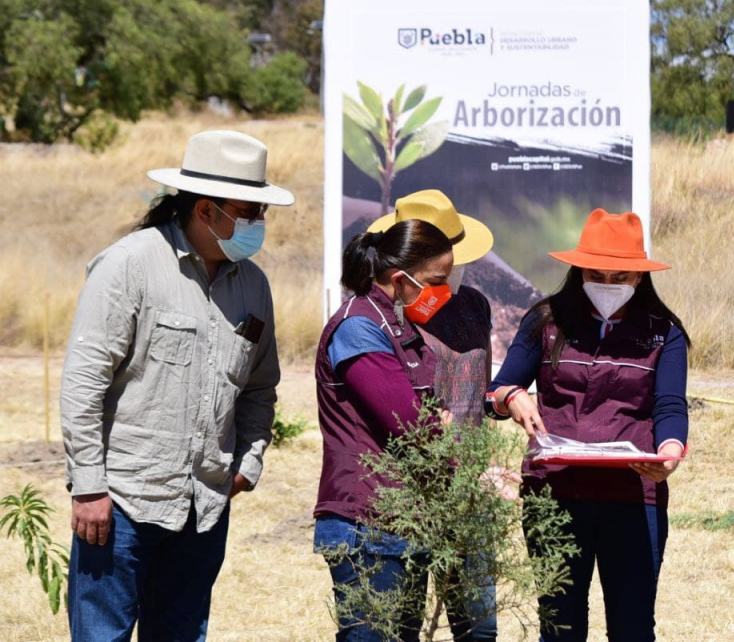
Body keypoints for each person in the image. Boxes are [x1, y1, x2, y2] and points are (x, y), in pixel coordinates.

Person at [60, 130, 294, 641]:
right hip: (122, 503)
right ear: (207, 210)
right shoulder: (131, 263)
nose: (258, 224)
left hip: (204, 510)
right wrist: (89, 486)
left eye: (261, 212)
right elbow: (84, 380)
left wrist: (246, 465)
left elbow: (259, 387)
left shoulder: (253, 285)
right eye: (249, 211)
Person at [487, 208, 689, 642]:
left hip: (634, 496)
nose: (608, 286)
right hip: (555, 494)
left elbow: (670, 405)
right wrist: (513, 396)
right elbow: (495, 393)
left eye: (621, 278)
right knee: (560, 624)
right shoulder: (544, 321)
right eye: (596, 275)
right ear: (578, 271)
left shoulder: (663, 332)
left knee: (633, 626)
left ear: (640, 277)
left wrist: (671, 452)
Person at [313, 219, 454, 642]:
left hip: (403, 519)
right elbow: (409, 422)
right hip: (367, 523)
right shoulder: (358, 328)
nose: (442, 291)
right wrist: (440, 427)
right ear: (400, 279)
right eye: (436, 281)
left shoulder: (394, 322)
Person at [367, 189, 499, 639]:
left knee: (478, 628)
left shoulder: (475, 305)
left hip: (470, 489)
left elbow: (480, 385)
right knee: (400, 624)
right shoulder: (379, 321)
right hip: (405, 491)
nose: (449, 274)